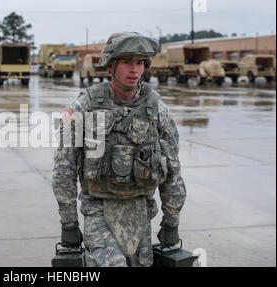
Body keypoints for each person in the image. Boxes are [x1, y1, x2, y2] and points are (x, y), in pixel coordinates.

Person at [52, 32, 187, 267]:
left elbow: (172, 168)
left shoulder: (157, 110)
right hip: (99, 209)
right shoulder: (84, 106)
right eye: (127, 62)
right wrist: (69, 223)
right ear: (111, 65)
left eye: (140, 63)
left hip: (141, 212)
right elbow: (64, 168)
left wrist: (171, 221)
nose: (134, 70)